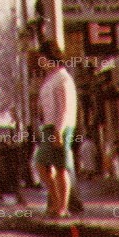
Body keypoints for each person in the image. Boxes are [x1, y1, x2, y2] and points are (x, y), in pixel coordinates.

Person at [33, 44, 77, 220]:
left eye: (43, 58)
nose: (41, 63)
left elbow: (64, 108)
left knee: (60, 167)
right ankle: (55, 200)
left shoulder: (63, 78)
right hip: (48, 127)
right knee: (41, 164)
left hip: (60, 127)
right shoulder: (50, 79)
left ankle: (62, 207)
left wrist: (59, 129)